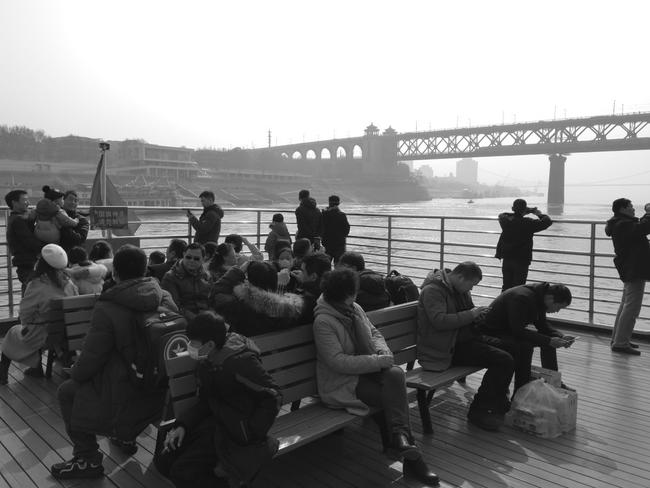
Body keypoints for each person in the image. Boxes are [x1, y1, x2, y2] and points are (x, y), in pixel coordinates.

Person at [50, 245, 178, 480]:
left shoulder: (109, 307)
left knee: (67, 391)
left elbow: (91, 359)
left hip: (126, 389)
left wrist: (75, 372)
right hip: (162, 387)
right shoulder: (164, 296)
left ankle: (87, 458)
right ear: (145, 270)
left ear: (115, 273)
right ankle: (124, 436)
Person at [312, 268, 439, 485]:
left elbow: (375, 334)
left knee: (395, 374)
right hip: (344, 382)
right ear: (346, 294)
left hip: (369, 371)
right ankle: (411, 455)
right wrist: (378, 361)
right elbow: (337, 362)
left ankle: (401, 441)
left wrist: (383, 352)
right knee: (392, 397)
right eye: (354, 292)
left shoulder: (353, 309)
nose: (356, 295)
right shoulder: (324, 321)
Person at [156, 311, 281, 488]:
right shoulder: (208, 361)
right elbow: (207, 400)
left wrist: (251, 432)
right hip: (216, 420)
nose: (190, 347)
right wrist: (182, 425)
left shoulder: (239, 362)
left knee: (182, 473)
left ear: (210, 344)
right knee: (163, 462)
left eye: (194, 343)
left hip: (236, 430)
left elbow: (273, 395)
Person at [416, 262, 514, 430]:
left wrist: (479, 316)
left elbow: (467, 315)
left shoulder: (458, 289)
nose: (472, 289)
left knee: (511, 347)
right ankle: (479, 410)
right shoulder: (433, 291)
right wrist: (471, 314)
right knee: (503, 360)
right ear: (460, 277)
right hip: (444, 349)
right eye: (471, 284)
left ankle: (496, 400)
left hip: (461, 340)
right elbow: (439, 321)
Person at [0, 244, 78, 384]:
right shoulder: (69, 283)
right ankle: (36, 368)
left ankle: (3, 373)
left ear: (41, 263)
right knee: (35, 328)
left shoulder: (37, 284)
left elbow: (25, 312)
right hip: (65, 334)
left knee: (13, 332)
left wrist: (26, 326)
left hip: (42, 335)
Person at [479, 282, 576, 393]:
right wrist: (549, 340)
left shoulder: (540, 297)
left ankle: (553, 382)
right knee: (526, 347)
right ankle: (520, 390)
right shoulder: (522, 298)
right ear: (550, 298)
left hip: (508, 330)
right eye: (558, 307)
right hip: (491, 332)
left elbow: (542, 326)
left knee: (548, 342)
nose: (557, 311)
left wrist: (561, 337)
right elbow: (518, 331)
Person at [211, 260, 308, 336]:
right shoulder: (291, 309)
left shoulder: (239, 308)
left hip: (250, 358)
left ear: (249, 282)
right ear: (275, 281)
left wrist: (238, 271)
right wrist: (280, 286)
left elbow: (215, 293)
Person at [604, 198, 650, 355]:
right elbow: (644, 228)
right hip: (634, 268)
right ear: (622, 209)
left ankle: (618, 339)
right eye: (630, 206)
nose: (633, 209)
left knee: (626, 304)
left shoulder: (620, 223)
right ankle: (621, 343)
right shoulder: (623, 224)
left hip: (631, 268)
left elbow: (640, 227)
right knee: (632, 307)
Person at [495, 198, 552, 291]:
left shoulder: (505, 220)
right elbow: (547, 221)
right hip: (522, 260)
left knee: (506, 286)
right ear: (524, 209)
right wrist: (538, 213)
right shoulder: (528, 223)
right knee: (518, 288)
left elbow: (502, 214)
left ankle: (503, 304)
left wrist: (523, 211)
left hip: (507, 258)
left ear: (512, 208)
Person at [5, 189, 44, 294]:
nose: (28, 203)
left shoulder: (16, 218)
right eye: (25, 200)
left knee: (30, 289)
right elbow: (29, 241)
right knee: (31, 289)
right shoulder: (18, 220)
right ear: (14, 202)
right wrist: (47, 247)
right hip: (27, 261)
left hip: (25, 261)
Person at [162, 243, 212, 321]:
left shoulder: (207, 275)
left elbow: (211, 300)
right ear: (183, 255)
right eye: (188, 257)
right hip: (184, 318)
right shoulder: (170, 277)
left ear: (203, 259)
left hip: (205, 315)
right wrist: (198, 319)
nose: (191, 261)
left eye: (196, 259)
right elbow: (174, 306)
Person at [321, 195, 350, 263]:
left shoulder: (324, 215)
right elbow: (346, 229)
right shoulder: (342, 215)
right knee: (339, 264)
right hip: (340, 244)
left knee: (326, 264)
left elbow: (320, 228)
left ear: (329, 203)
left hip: (327, 243)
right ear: (338, 203)